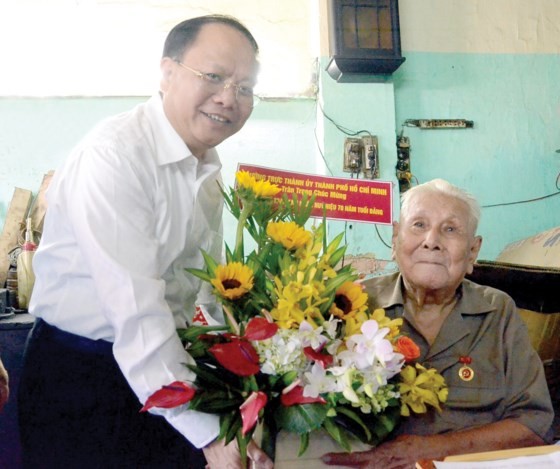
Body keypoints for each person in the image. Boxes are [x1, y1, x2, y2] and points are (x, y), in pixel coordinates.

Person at [18, 14, 271, 469]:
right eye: (214, 76)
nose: (229, 98)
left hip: (161, 370)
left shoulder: (207, 170)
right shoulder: (115, 157)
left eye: (245, 87)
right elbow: (137, 314)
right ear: (167, 72)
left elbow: (202, 293)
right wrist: (210, 435)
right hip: (83, 380)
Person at [323, 179, 554, 468]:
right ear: (395, 239)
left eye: (450, 229)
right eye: (418, 224)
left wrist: (430, 450)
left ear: (472, 251)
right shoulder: (351, 306)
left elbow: (533, 424)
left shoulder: (498, 312)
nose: (431, 240)